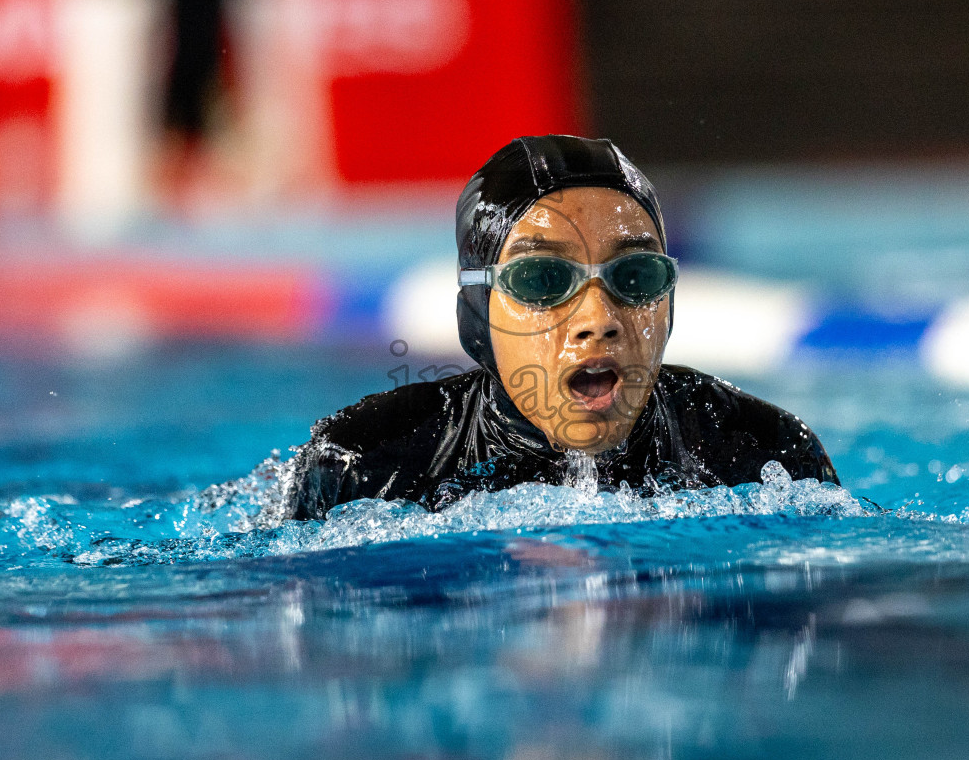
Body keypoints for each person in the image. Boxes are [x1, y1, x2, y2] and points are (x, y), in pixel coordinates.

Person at [278, 134, 840, 520]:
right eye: (543, 279)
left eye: (636, 276)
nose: (598, 321)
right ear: (478, 308)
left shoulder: (760, 455)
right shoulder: (370, 463)